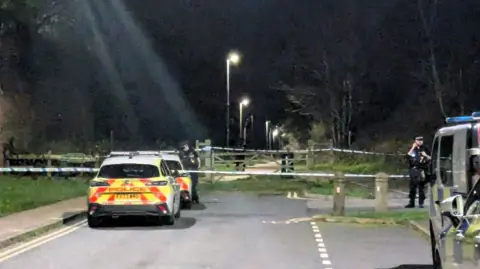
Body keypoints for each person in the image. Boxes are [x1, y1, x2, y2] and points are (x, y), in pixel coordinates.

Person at [405, 136, 431, 208]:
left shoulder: (425, 149)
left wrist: (426, 155)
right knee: (412, 187)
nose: (420, 141)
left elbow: (431, 158)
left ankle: (421, 203)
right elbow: (407, 157)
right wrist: (413, 147)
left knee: (421, 186)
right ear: (415, 141)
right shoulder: (412, 149)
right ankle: (411, 202)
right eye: (418, 140)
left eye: (421, 140)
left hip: (422, 169)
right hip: (414, 169)